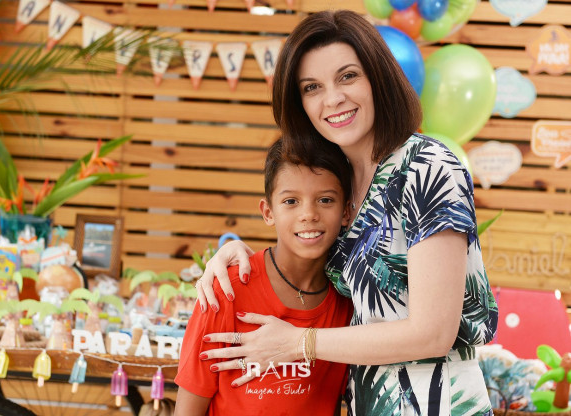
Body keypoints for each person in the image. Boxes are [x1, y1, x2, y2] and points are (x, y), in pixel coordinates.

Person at [193, 9, 498, 416]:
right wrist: (240, 255)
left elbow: (433, 333)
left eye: (348, 76)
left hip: (436, 402)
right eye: (312, 87)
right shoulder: (341, 180)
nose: (332, 98)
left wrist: (299, 342)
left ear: (378, 78)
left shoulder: (427, 166)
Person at [173, 138, 354, 415]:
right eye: (291, 201)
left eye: (325, 200)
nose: (309, 214)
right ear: (268, 212)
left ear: (346, 211)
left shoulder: (351, 302)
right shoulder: (226, 290)